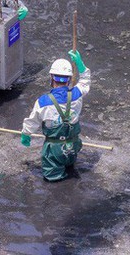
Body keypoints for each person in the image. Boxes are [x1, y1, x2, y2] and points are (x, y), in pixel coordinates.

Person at [20, 50, 91, 182]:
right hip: (72, 146)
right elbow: (85, 82)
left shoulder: (43, 102)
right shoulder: (77, 94)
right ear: (69, 79)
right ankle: (69, 164)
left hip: (55, 150)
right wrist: (80, 65)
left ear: (52, 77)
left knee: (52, 177)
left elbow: (32, 121)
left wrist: (26, 134)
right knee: (69, 161)